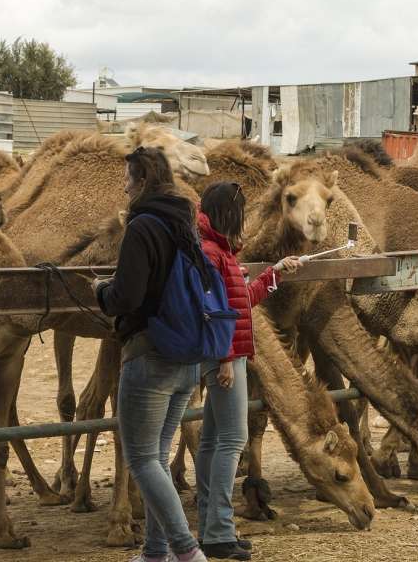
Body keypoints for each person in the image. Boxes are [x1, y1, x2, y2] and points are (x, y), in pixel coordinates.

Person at [93, 147, 209, 562]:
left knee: (141, 460)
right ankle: (155, 552)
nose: (124, 186)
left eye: (128, 178)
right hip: (186, 360)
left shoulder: (142, 226)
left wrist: (101, 291)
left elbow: (127, 296)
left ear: (142, 182)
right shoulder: (185, 223)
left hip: (150, 357)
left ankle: (187, 551)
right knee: (157, 457)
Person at [194, 182, 302, 560]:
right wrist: (225, 358)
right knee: (232, 438)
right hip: (226, 357)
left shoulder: (218, 252)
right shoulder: (211, 254)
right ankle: (220, 531)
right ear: (229, 213)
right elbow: (210, 311)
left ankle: (211, 525)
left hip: (228, 354)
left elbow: (242, 302)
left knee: (212, 440)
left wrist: (276, 273)